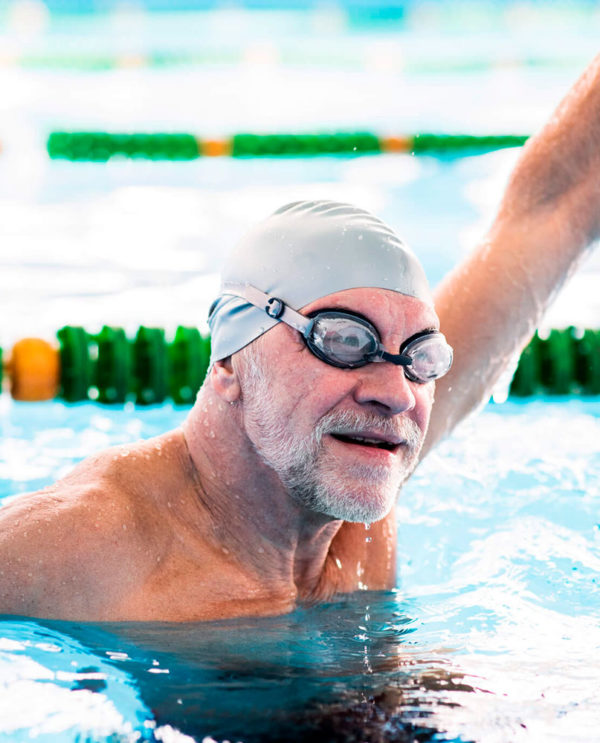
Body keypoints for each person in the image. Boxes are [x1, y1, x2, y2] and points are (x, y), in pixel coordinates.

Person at [0, 55, 598, 623]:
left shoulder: (357, 462)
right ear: (231, 361)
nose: (393, 392)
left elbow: (556, 207)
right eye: (342, 341)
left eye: (421, 357)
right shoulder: (90, 545)